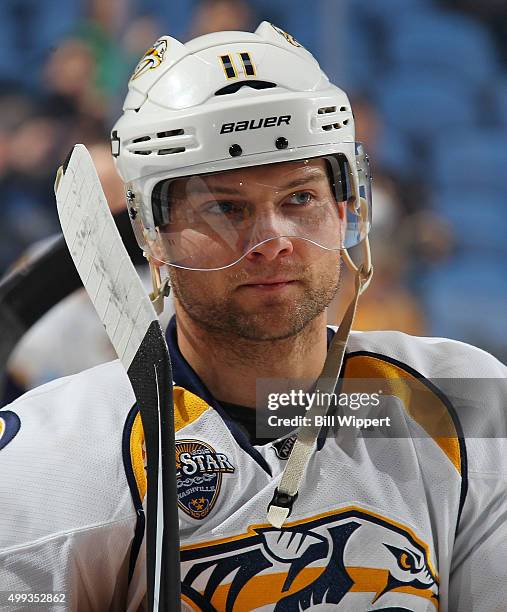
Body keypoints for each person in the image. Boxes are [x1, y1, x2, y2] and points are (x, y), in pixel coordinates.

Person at [1, 22, 506, 612]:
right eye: (224, 207)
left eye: (299, 198)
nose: (273, 240)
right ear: (149, 235)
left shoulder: (462, 404)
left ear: (347, 205)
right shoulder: (51, 455)